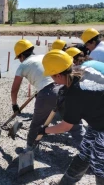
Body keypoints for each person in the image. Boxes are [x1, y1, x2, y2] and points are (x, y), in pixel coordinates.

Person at [40, 49, 104, 185]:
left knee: (99, 164)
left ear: (57, 75)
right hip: (97, 120)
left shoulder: (75, 93)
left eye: (51, 76)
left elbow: (65, 127)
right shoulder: (82, 69)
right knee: (85, 153)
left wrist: (44, 130)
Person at [11, 39, 85, 150]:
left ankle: (29, 149)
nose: (20, 60)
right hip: (65, 86)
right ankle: (88, 153)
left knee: (37, 123)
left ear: (21, 55)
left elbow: (14, 89)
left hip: (48, 93)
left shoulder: (23, 65)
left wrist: (14, 104)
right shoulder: (44, 57)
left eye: (19, 58)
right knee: (75, 125)